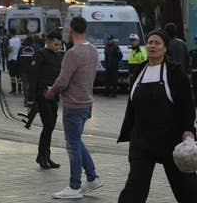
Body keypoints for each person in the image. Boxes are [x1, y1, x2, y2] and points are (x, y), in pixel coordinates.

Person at [117, 29, 197, 202]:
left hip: (170, 140)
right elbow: (132, 106)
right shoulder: (139, 71)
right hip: (141, 142)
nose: (152, 46)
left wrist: (188, 129)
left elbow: (187, 105)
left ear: (165, 48)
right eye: (150, 42)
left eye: (157, 43)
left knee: (187, 189)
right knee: (134, 188)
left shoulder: (175, 72)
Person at [47, 17, 102, 199]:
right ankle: (92, 178)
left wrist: (52, 91)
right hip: (87, 103)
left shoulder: (72, 53)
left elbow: (63, 80)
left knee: (72, 146)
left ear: (71, 31)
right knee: (77, 141)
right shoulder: (93, 50)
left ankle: (74, 186)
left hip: (73, 105)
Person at [28, 30, 63, 170]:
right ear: (48, 42)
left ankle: (45, 156)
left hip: (54, 95)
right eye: (55, 44)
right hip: (42, 95)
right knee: (48, 124)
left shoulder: (60, 56)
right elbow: (33, 76)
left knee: (51, 126)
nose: (58, 47)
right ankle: (42, 157)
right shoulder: (40, 54)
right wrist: (31, 98)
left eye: (59, 45)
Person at [17, 36, 36, 106]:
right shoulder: (34, 49)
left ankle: (26, 100)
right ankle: (31, 100)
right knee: (32, 85)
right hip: (32, 70)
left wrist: (19, 70)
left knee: (25, 85)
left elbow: (18, 60)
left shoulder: (21, 49)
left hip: (23, 70)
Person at [7, 28, 22, 94]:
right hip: (18, 59)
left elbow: (10, 49)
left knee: (12, 75)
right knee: (18, 75)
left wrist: (7, 48)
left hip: (12, 59)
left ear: (10, 33)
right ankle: (19, 89)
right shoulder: (18, 39)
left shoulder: (11, 40)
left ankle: (14, 89)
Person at [190, 35, 197, 103]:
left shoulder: (193, 52)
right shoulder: (192, 51)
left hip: (194, 71)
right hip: (194, 71)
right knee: (195, 87)